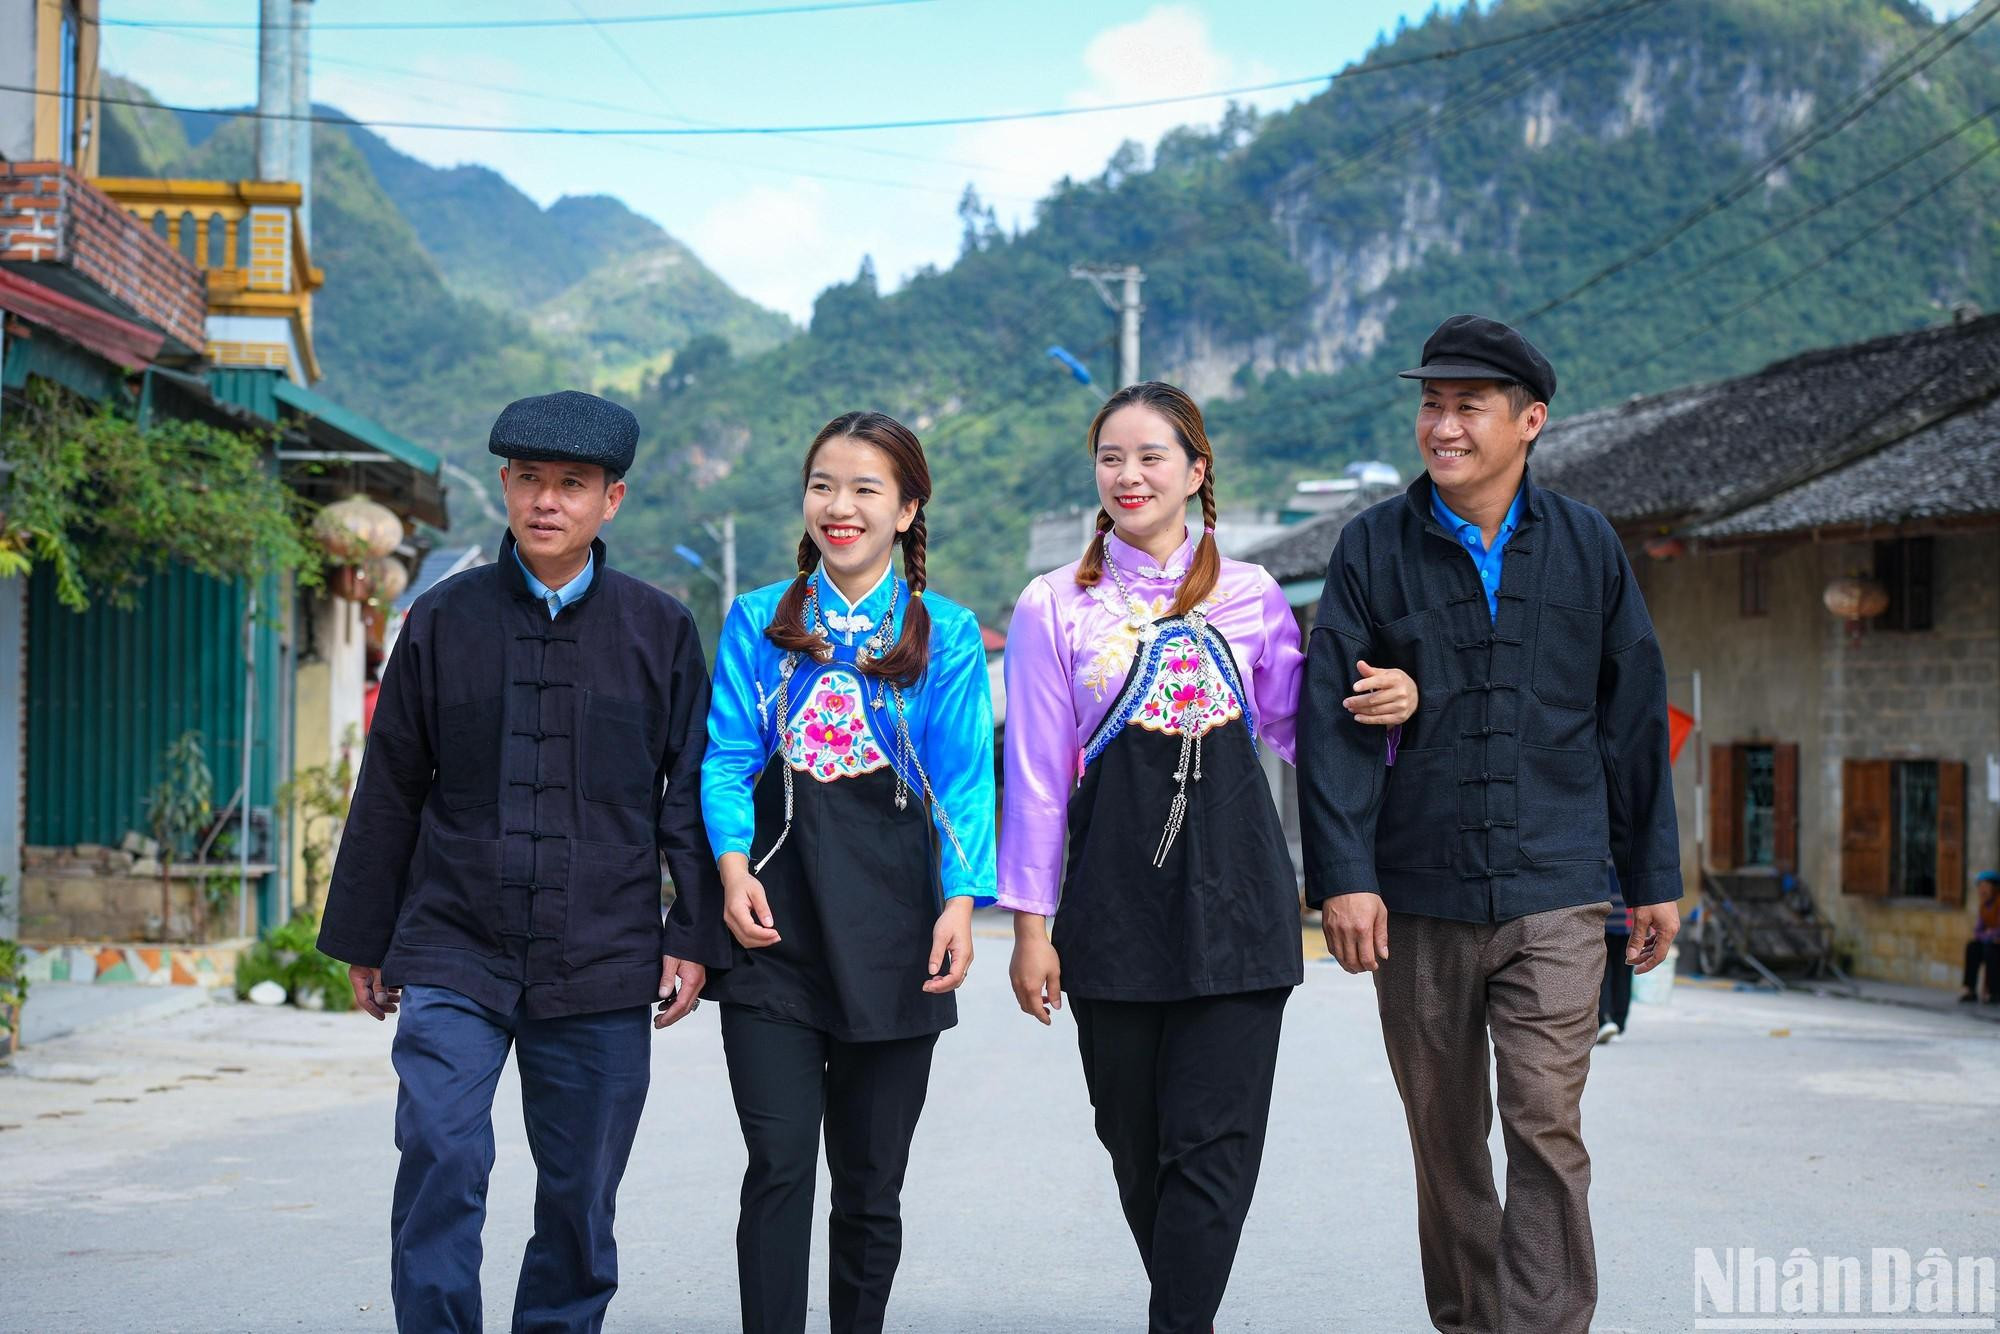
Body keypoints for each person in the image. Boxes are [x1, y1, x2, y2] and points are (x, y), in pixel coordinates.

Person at [999, 380, 1416, 1334]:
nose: (1130, 475)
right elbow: (1035, 780)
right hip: (1111, 913)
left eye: (1152, 457)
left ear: (1196, 470)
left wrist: (1394, 715)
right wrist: (1031, 928)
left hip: (1241, 906)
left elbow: (1306, 730)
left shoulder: (1252, 594)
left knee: (1215, 1143)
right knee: (1133, 1139)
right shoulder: (1054, 605)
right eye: (1111, 458)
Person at [1300, 315, 1682, 1334]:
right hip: (1418, 889)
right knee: (1444, 1133)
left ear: (1530, 420)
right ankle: (1472, 1319)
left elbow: (1631, 718)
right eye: (1431, 404)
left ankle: (1544, 1323)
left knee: (1544, 1118)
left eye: (1468, 406)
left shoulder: (1587, 546)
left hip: (1557, 885)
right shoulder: (1371, 547)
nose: (1443, 425)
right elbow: (1329, 721)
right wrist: (1344, 876)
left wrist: (1653, 875)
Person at [317, 390, 727, 1334]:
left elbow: (691, 792)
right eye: (530, 479)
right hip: (455, 942)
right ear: (504, 483)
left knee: (581, 1190)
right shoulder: (439, 620)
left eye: (572, 484)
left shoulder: (659, 629)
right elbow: (391, 784)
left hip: (603, 951)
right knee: (440, 1152)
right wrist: (365, 937)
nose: (547, 501)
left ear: (612, 500)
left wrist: (690, 934)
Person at [700, 411, 996, 1334]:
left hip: (897, 932)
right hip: (772, 929)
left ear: (906, 510)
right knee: (779, 1165)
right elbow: (726, 758)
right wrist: (732, 869)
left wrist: (960, 903)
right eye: (824, 485)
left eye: (867, 488)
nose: (841, 505)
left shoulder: (945, 632)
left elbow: (963, 780)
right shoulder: (759, 619)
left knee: (871, 1182)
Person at [1599, 862, 1632, 1043]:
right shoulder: (1630, 851)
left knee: (1602, 972)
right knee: (1622, 973)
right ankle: (1617, 1022)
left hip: (1605, 919)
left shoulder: (1600, 851)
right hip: (1627, 921)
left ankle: (1605, 1019)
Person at [1962, 870, 2000, 1003]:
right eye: (1980, 886)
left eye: (1986, 886)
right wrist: (1988, 935)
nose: (1982, 890)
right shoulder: (1983, 906)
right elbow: (1977, 931)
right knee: (1972, 947)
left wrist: (1989, 934)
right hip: (1990, 942)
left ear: (1994, 888)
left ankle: (1994, 992)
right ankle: (1969, 989)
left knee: (1991, 950)